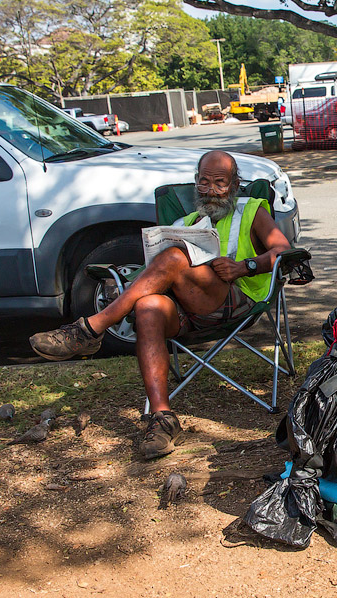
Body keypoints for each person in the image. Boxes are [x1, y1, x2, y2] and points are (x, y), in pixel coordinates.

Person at [29, 150, 291, 459]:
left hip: (234, 300)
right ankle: (162, 419)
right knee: (149, 306)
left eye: (220, 183)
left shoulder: (252, 209)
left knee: (176, 257)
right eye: (204, 182)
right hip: (185, 311)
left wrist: (243, 266)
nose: (210, 190)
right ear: (196, 182)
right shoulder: (186, 222)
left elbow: (283, 250)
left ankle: (91, 328)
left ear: (234, 185)